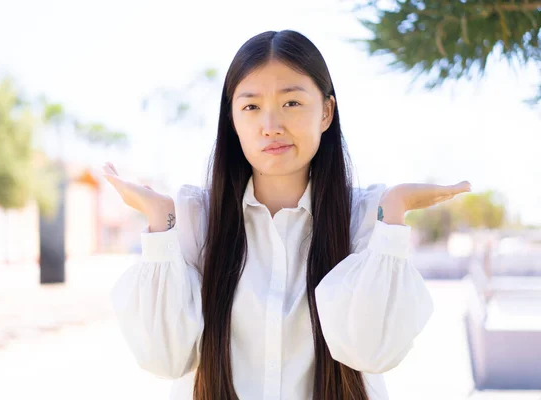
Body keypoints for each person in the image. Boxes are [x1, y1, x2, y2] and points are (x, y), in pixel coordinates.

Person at [104, 30, 471, 400]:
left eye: (291, 103)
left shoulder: (362, 216)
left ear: (326, 111)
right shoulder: (197, 217)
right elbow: (165, 358)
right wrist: (159, 220)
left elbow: (370, 351)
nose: (271, 125)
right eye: (251, 106)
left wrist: (394, 212)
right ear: (231, 118)